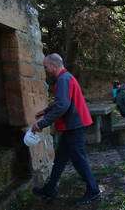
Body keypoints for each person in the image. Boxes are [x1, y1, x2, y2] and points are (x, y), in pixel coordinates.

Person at [31, 53, 100, 204]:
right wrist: (46, 111)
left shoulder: (63, 79)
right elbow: (61, 101)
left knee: (79, 160)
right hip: (72, 126)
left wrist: (41, 123)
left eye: (46, 66)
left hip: (75, 126)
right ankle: (50, 188)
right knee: (61, 158)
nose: (46, 69)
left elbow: (63, 105)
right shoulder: (65, 77)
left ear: (54, 66)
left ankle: (93, 190)